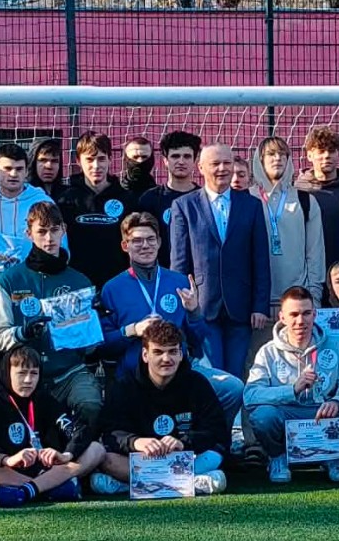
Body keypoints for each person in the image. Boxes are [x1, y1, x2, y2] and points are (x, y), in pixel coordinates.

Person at [98, 212, 244, 427]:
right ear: (125, 245)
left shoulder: (179, 282)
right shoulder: (112, 288)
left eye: (150, 239)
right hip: (136, 376)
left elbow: (197, 341)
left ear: (159, 242)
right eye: (137, 241)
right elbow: (103, 345)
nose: (145, 246)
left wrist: (194, 312)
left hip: (181, 370)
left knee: (233, 388)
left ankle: (214, 439)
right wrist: (132, 330)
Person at [0, 202, 104, 426]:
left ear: (64, 230)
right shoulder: (9, 281)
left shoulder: (80, 282)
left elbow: (90, 348)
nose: (49, 238)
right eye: (41, 231)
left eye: (54, 230)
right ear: (29, 233)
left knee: (90, 404)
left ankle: (78, 449)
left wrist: (92, 323)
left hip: (69, 373)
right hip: (26, 376)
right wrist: (23, 333)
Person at [92, 322, 230, 496]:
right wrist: (135, 442)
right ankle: (189, 484)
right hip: (142, 459)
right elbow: (110, 433)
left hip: (183, 458)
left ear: (181, 354)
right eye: (158, 352)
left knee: (215, 455)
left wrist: (183, 442)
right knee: (107, 459)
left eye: (172, 352)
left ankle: (130, 486)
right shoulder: (125, 386)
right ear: (145, 355)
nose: (166, 359)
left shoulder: (197, 384)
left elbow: (216, 431)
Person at [169, 144, 272, 379]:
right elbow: (179, 262)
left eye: (227, 162)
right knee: (212, 376)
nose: (223, 168)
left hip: (242, 308)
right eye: (215, 163)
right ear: (201, 168)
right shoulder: (184, 206)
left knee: (236, 376)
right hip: (203, 307)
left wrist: (260, 306)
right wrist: (184, 307)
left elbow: (260, 259)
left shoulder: (252, 205)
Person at [0, 346, 105, 507]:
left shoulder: (45, 399)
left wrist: (66, 454)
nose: (28, 380)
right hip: (7, 471)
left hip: (46, 471)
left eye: (34, 373)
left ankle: (24, 492)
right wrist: (6, 459)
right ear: (7, 373)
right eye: (21, 373)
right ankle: (49, 490)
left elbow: (74, 431)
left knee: (96, 449)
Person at [245, 286, 339, 483]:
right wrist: (291, 390)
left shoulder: (337, 347)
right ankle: (278, 457)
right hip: (288, 413)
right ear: (282, 317)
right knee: (262, 416)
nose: (301, 321)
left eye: (306, 313)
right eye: (294, 314)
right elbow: (250, 395)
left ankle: (334, 456)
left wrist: (337, 402)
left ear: (315, 314)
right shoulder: (267, 352)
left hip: (324, 415)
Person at [0, 142, 55, 395]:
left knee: (29, 384)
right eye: (7, 169)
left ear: (27, 171)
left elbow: (59, 250)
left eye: (19, 169)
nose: (13, 174)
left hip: (29, 309)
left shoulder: (42, 203)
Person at [248, 136, 326, 360]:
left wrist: (314, 297)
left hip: (297, 303)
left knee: (299, 365)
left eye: (283, 154)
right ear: (260, 160)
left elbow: (315, 252)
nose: (277, 159)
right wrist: (253, 302)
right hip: (258, 307)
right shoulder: (246, 199)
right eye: (271, 154)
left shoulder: (305, 201)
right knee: (259, 365)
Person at [58, 131, 138, 286]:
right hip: (77, 284)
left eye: (101, 159)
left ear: (110, 159)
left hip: (117, 283)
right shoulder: (65, 200)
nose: (96, 166)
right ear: (78, 161)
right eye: (89, 159)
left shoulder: (127, 199)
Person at [295, 127, 339, 268]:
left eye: (331, 151)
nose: (326, 156)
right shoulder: (297, 191)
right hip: (308, 269)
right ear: (309, 155)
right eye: (321, 151)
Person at [138, 130, 202, 263]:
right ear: (165, 160)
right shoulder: (150, 199)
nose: (181, 161)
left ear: (195, 160)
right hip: (161, 271)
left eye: (187, 156)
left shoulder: (205, 199)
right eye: (175, 156)